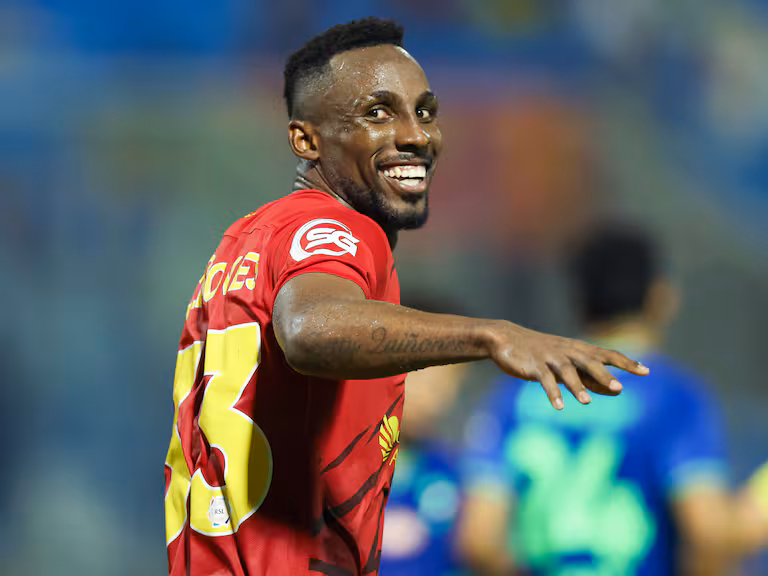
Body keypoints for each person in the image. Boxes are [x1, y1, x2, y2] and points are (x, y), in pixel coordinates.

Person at [162, 18, 648, 576]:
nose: (417, 135)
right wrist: (492, 336)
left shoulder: (243, 243)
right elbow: (309, 329)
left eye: (425, 112)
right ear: (307, 140)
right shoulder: (339, 229)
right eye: (378, 113)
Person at [457, 224, 768, 575]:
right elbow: (707, 534)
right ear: (662, 298)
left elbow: (479, 539)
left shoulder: (516, 394)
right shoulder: (673, 397)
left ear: (578, 301)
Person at [379, 298, 471, 576]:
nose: (438, 398)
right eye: (427, 380)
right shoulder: (335, 470)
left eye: (451, 384)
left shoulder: (453, 473)